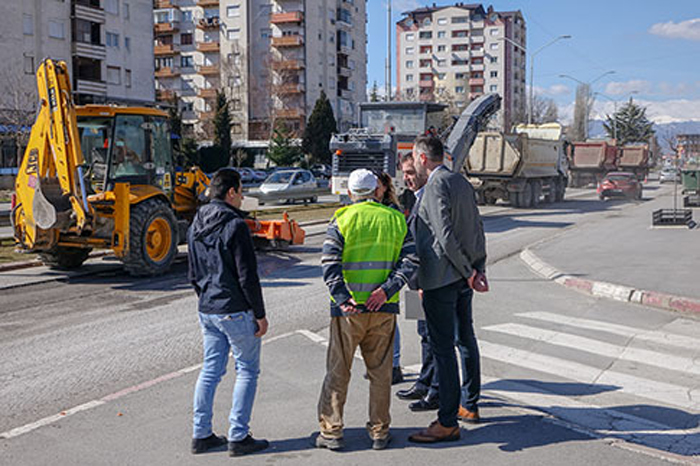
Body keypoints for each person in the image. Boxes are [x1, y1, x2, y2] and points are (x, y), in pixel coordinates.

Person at [316, 168, 418, 451]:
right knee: (381, 373)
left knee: (338, 371)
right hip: (383, 310)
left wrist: (342, 297)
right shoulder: (396, 220)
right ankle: (379, 431)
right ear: (377, 191)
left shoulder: (342, 219)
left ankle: (332, 431)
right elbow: (411, 260)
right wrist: (387, 290)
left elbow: (329, 263)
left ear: (350, 193)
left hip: (347, 313)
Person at [408, 136, 487, 444]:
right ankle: (470, 405)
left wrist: (470, 271)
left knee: (443, 349)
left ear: (422, 158)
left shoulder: (435, 187)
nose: (413, 164)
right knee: (465, 338)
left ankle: (447, 422)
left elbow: (443, 235)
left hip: (442, 280)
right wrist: (478, 269)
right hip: (462, 279)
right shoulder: (462, 182)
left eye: (414, 159)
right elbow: (476, 228)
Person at [187, 168, 270, 457]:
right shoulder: (235, 225)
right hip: (235, 310)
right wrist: (259, 314)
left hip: (208, 308)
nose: (243, 195)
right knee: (247, 370)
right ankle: (238, 436)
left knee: (210, 370)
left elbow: (193, 271)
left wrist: (205, 298)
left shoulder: (196, 221)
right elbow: (248, 276)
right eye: (241, 190)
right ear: (231, 192)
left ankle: (201, 434)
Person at [394, 153, 441, 412]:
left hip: (426, 283)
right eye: (404, 173)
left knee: (433, 335)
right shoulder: (411, 198)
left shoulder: (431, 197)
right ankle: (424, 382)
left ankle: (434, 388)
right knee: (422, 334)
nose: (407, 178)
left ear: (423, 168)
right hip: (414, 284)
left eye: (411, 172)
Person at [371, 168, 404, 385]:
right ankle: (381, 365)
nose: (374, 189)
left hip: (388, 275)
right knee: (376, 324)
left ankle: (394, 365)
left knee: (390, 323)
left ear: (384, 186)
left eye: (377, 185)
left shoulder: (392, 211)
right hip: (370, 272)